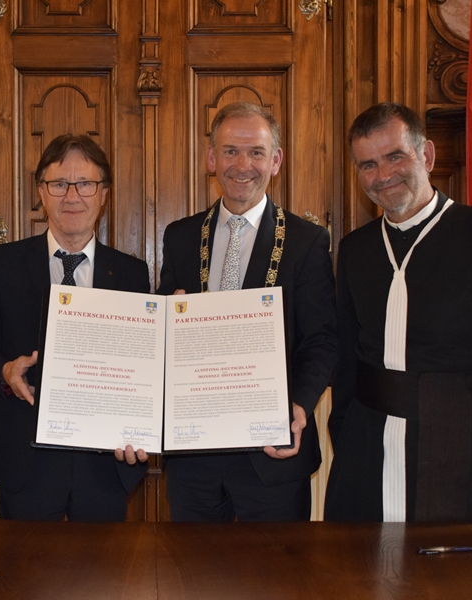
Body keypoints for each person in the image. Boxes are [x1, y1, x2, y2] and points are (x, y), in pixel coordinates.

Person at [325, 102, 472, 522]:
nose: (383, 175)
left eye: (395, 157)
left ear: (425, 155)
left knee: (454, 581)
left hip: (464, 445)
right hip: (369, 448)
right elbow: (347, 357)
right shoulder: (356, 250)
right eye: (368, 164)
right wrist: (347, 434)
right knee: (360, 574)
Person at [157, 102, 337, 521]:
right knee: (194, 579)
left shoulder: (307, 241)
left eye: (256, 152)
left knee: (274, 581)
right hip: (193, 454)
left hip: (271, 453)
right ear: (211, 159)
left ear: (275, 161)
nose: (243, 165)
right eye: (231, 151)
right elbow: (165, 333)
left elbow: (322, 339)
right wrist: (167, 320)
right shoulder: (180, 236)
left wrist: (300, 404)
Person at [0, 134, 151, 521]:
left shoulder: (132, 273)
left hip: (106, 462)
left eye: (85, 184)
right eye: (58, 184)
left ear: (104, 194)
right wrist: (4, 371)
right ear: (41, 193)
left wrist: (144, 428)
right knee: (25, 576)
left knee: (102, 578)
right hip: (25, 458)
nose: (72, 196)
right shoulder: (6, 263)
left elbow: (145, 370)